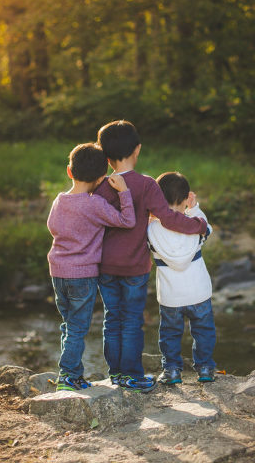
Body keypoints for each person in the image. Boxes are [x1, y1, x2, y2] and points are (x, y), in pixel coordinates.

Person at [93, 120, 207, 393]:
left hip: (105, 266)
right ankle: (132, 375)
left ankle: (116, 374)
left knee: (112, 318)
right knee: (132, 320)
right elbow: (168, 218)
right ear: (137, 150)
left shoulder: (100, 186)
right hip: (134, 267)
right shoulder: (146, 184)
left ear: (106, 156)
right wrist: (198, 225)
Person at [46, 142, 136, 391]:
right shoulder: (94, 203)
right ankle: (68, 375)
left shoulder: (59, 200)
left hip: (58, 272)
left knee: (68, 324)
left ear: (69, 171)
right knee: (77, 327)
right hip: (82, 275)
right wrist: (124, 192)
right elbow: (127, 220)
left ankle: (71, 373)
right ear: (101, 178)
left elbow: (53, 227)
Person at [148, 172, 216, 384]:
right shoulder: (195, 225)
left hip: (170, 296)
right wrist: (194, 209)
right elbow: (207, 227)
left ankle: (171, 371)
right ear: (186, 198)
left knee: (170, 334)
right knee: (204, 331)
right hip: (199, 292)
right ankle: (205, 368)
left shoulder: (151, 229)